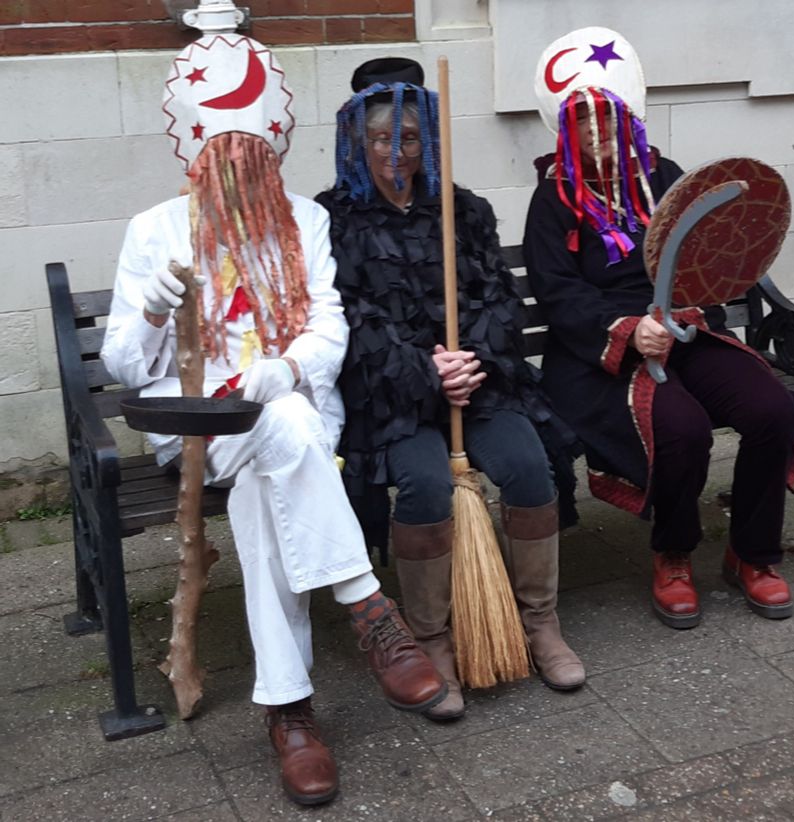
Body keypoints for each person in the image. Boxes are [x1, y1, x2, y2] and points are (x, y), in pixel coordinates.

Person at [100, 34, 446, 807]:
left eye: (253, 162)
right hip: (195, 425)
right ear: (198, 162)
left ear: (273, 160)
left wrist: (285, 371)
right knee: (281, 435)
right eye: (224, 163)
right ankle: (369, 608)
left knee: (270, 470)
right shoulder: (154, 230)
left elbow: (328, 324)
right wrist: (152, 310)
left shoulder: (303, 222)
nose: (240, 178)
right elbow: (124, 365)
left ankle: (289, 710)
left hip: (290, 419)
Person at [522, 28, 794, 629]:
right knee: (681, 427)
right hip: (599, 353)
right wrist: (629, 330)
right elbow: (558, 293)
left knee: (771, 409)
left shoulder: (666, 178)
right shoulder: (553, 198)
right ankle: (674, 553)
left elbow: (706, 260)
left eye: (607, 117)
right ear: (565, 129)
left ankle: (752, 553)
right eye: (582, 120)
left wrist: (687, 307)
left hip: (684, 329)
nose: (596, 131)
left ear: (628, 117)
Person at [314, 58, 585, 722]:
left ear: (429, 140)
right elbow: (349, 320)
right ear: (358, 141)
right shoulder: (332, 220)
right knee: (426, 485)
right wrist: (425, 371)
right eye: (381, 139)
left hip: (478, 387)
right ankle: (430, 638)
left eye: (408, 138)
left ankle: (539, 621)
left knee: (528, 467)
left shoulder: (463, 210)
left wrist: (470, 362)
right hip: (393, 399)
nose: (395, 154)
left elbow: (499, 300)